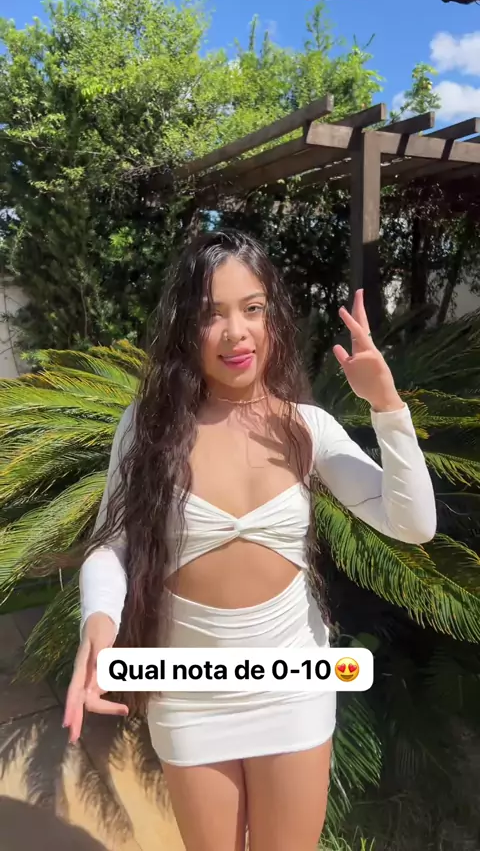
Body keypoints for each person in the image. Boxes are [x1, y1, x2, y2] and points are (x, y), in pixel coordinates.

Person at [62, 229, 437, 851]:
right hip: (188, 691)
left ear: (273, 318)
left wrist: (388, 407)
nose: (236, 332)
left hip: (293, 685)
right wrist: (98, 623)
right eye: (212, 314)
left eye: (253, 308)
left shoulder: (307, 429)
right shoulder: (149, 429)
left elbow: (414, 523)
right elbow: (112, 545)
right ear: (186, 327)